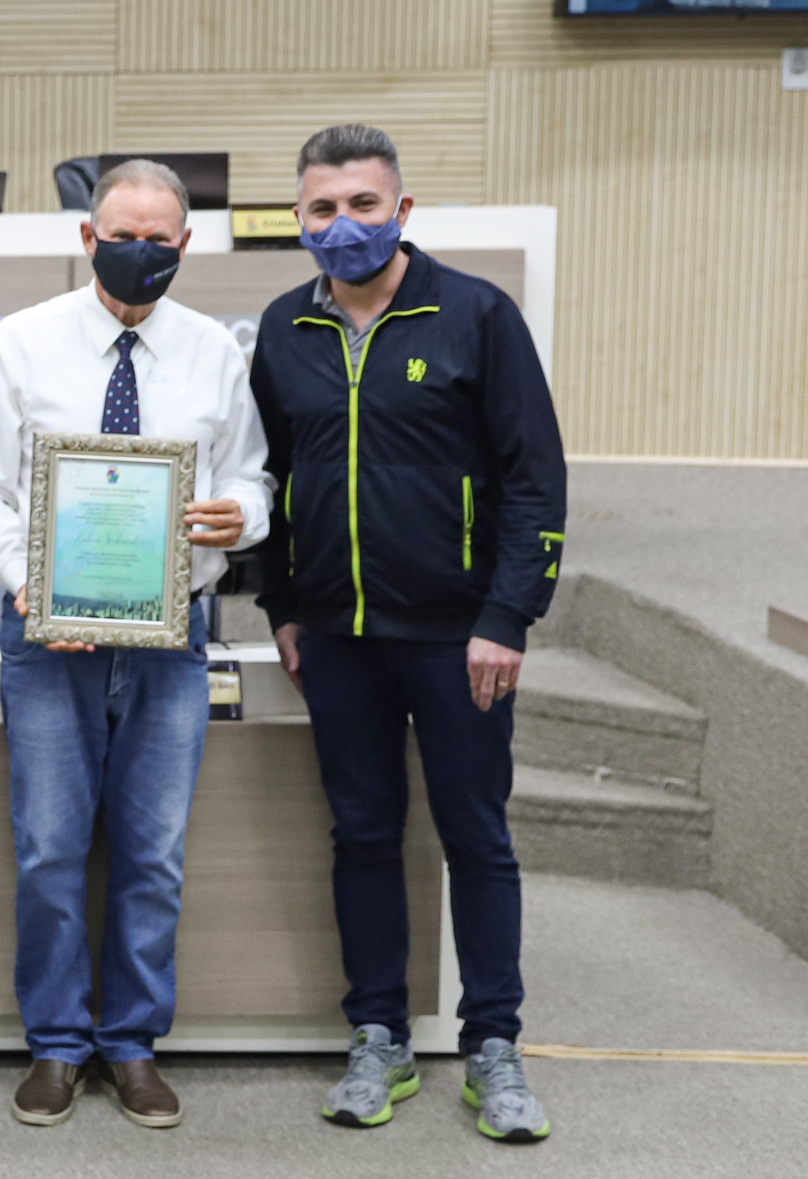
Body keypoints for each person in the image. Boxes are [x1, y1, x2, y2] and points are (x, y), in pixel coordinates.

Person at [251, 124, 565, 1144]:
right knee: (364, 833)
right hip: (338, 639)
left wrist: (507, 616)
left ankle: (494, 1047)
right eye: (324, 209)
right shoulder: (281, 327)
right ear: (299, 217)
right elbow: (266, 485)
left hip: (457, 637)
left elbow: (534, 480)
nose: (345, 226)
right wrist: (282, 608)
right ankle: (378, 1034)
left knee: (477, 835)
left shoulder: (475, 315)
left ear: (404, 210)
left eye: (364, 205)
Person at [0, 161, 271, 1132]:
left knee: (153, 851)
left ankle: (132, 1044)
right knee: (50, 848)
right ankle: (56, 1044)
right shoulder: (22, 343)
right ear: (89, 239)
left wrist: (236, 518)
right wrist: (34, 586)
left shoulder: (215, 351)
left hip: (172, 634)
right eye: (123, 233)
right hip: (46, 637)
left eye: (161, 238)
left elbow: (252, 481)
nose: (143, 251)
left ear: (184, 245)